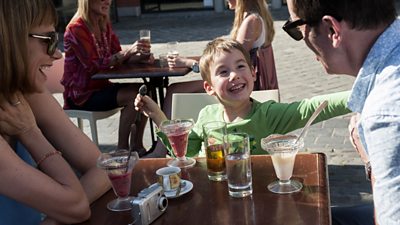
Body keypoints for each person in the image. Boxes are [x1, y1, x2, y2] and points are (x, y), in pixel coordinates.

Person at [135, 38, 350, 157]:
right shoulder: (206, 116)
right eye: (223, 72)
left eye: (240, 66)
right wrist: (156, 115)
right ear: (209, 88)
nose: (235, 75)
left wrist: (358, 94)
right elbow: (185, 150)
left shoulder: (268, 115)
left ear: (253, 73)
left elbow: (310, 107)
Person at [285, 0, 400, 224]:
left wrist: (371, 161)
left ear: (332, 30)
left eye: (298, 29)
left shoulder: (385, 115)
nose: (302, 40)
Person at [0, 0, 110, 224]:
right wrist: (30, 132)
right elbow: (77, 206)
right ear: (10, 40)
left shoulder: (25, 92)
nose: (58, 54)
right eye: (49, 40)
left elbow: (104, 168)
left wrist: (52, 219)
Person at [61, 0, 152, 153]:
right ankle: (122, 150)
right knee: (133, 95)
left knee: (145, 92)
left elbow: (118, 56)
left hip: (101, 87)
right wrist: (127, 53)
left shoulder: (103, 24)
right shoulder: (76, 29)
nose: (107, 1)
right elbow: (93, 66)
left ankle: (137, 147)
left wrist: (140, 56)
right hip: (81, 95)